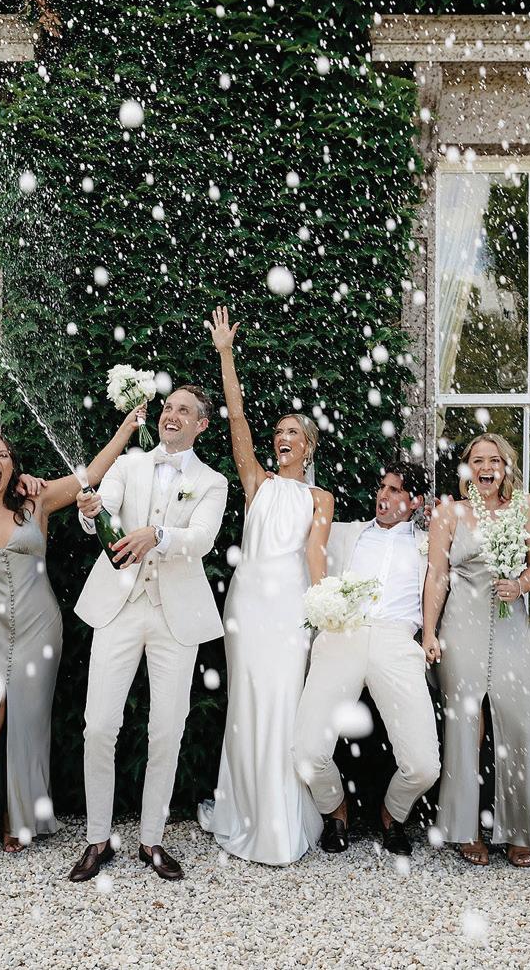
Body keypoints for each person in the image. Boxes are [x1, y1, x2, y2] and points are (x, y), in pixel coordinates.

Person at [0, 405, 145, 853]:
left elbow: (91, 474)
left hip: (38, 623)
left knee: (29, 718)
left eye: (2, 455)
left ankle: (20, 817)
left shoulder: (37, 501)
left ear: (13, 468)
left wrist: (126, 428)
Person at [67, 386, 231, 883]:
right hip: (119, 606)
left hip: (174, 615)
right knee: (99, 725)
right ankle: (98, 838)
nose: (171, 415)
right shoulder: (129, 464)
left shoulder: (213, 481)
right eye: (168, 408)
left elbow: (202, 538)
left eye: (184, 410)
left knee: (167, 728)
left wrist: (157, 536)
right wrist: (91, 509)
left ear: (202, 424)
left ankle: (152, 839)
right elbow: (105, 506)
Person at [198, 306, 327, 865]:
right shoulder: (257, 481)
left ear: (309, 446)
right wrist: (225, 354)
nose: (281, 438)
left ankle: (280, 818)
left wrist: (325, 611)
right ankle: (246, 811)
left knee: (283, 702)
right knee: (247, 704)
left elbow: (315, 556)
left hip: (290, 607)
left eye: (292, 432)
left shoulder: (319, 499)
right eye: (278, 432)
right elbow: (237, 420)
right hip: (248, 606)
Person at [292, 461, 441, 857]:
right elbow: (298, 513)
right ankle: (335, 810)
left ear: (415, 502)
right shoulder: (347, 533)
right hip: (343, 635)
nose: (383, 496)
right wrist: (281, 480)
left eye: (395, 490)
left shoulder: (429, 542)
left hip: (398, 641)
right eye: (382, 487)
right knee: (306, 752)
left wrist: (448, 513)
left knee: (424, 766)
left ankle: (393, 814)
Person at [422, 433, 530, 868]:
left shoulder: (527, 506)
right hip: (462, 625)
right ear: (467, 468)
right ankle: (465, 827)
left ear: (506, 466)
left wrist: (521, 585)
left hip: (511, 626)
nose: (486, 468)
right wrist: (429, 632)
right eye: (477, 461)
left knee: (521, 721)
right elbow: (437, 575)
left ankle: (519, 829)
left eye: (494, 460)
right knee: (464, 726)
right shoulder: (449, 512)